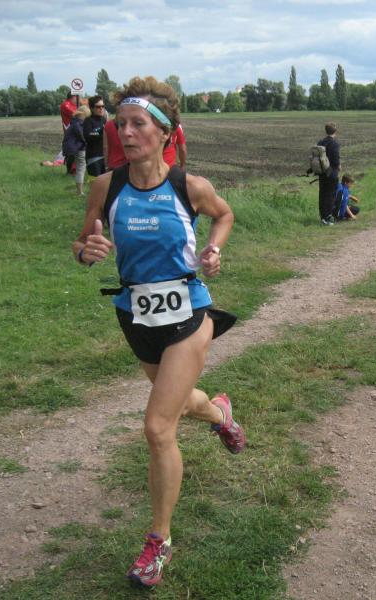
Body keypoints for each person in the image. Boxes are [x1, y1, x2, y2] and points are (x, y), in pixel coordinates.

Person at [71, 76, 245, 588]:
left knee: (157, 427)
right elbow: (82, 243)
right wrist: (86, 253)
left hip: (189, 311)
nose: (125, 133)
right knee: (180, 402)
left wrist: (215, 248)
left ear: (165, 132)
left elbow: (224, 215)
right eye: (120, 124)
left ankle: (159, 541)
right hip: (136, 315)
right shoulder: (107, 187)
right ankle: (220, 412)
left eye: (138, 124)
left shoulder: (188, 186)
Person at [62, 105, 90, 195]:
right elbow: (82, 136)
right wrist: (88, 143)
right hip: (79, 148)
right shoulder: (78, 124)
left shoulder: (74, 122)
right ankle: (79, 192)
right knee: (81, 168)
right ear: (83, 115)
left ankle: (79, 190)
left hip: (75, 148)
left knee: (80, 168)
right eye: (87, 116)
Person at [317, 122, 340, 225]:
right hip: (331, 173)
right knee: (331, 195)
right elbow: (335, 160)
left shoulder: (320, 142)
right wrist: (339, 166)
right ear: (335, 131)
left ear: (326, 131)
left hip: (322, 173)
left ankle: (323, 217)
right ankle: (328, 218)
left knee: (322, 195)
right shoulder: (334, 143)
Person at [84, 95, 107, 177]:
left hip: (104, 156)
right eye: (98, 107)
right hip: (93, 157)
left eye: (103, 106)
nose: (101, 108)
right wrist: (100, 131)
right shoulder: (88, 121)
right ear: (92, 108)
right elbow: (88, 135)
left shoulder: (104, 120)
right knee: (96, 182)